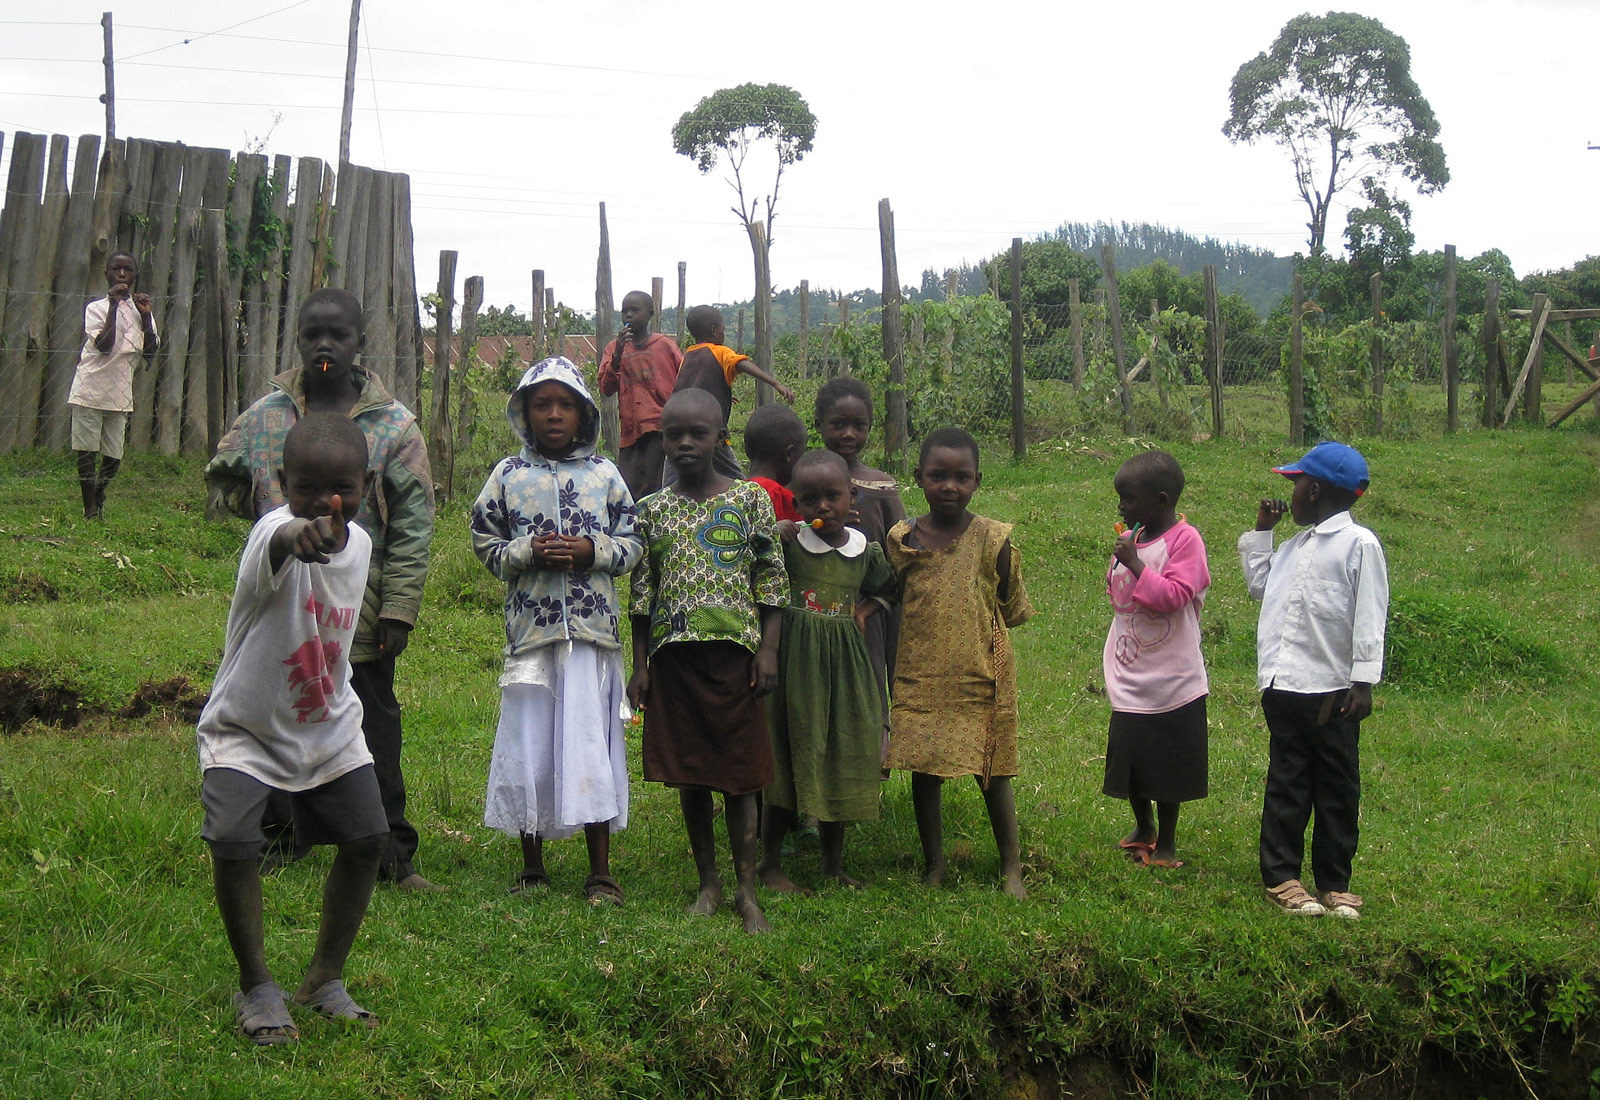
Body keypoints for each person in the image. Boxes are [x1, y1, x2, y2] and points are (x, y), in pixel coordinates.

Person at [205, 287, 438, 891]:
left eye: (339, 335)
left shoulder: (394, 426)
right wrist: (263, 516)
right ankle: (281, 838)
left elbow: (414, 523)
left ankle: (391, 853)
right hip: (282, 612)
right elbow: (224, 471)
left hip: (357, 615)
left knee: (371, 727)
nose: (325, 345)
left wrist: (399, 607)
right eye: (313, 335)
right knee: (278, 715)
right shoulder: (266, 417)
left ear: (361, 342)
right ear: (298, 339)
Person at [196, 412, 386, 1045]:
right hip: (246, 725)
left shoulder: (362, 545)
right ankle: (257, 986)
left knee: (368, 839)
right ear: (282, 483)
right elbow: (281, 542)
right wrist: (294, 534)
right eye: (307, 488)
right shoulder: (270, 533)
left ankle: (323, 979)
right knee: (233, 840)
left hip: (327, 721)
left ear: (366, 486)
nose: (327, 503)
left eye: (343, 490)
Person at [470, 357, 642, 905]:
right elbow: (485, 542)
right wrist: (526, 551)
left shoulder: (605, 475)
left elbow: (634, 542)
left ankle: (601, 873)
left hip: (591, 634)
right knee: (529, 741)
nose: (553, 415)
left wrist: (594, 551)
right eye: (542, 404)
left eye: (565, 404)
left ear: (584, 413)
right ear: (524, 412)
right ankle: (532, 867)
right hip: (532, 634)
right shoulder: (507, 476)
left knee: (589, 741)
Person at [627, 389, 787, 933]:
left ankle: (747, 890)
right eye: (674, 435)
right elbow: (642, 594)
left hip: (737, 660)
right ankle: (708, 884)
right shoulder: (651, 510)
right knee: (690, 774)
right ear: (663, 441)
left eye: (698, 434)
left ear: (722, 438)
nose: (686, 444)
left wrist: (769, 650)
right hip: (674, 661)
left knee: (742, 776)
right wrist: (641, 664)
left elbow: (771, 578)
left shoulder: (750, 500)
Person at [1239, 441, 1388, 920]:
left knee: (1337, 787)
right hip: (1284, 686)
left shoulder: (1359, 545)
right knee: (1288, 781)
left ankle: (1334, 883)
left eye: (1297, 484)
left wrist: (1363, 681)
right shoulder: (1292, 547)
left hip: (1333, 693)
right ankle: (1281, 876)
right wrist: (1263, 532)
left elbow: (1370, 613)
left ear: (1316, 490)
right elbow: (1260, 586)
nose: (1291, 494)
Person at [885, 428, 1033, 898]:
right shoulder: (902, 539)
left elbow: (1011, 607)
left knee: (993, 770)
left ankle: (1011, 867)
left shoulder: (994, 539)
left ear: (977, 481)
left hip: (980, 672)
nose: (949, 486)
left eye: (961, 477)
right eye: (937, 476)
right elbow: (892, 595)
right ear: (918, 478)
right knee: (924, 769)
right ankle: (935, 864)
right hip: (920, 673)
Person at [758, 449, 897, 892]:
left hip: (845, 669)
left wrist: (864, 611)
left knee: (840, 751)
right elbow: (755, 566)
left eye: (833, 496)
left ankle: (833, 865)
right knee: (787, 752)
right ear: (796, 503)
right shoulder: (791, 546)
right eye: (810, 499)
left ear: (851, 496)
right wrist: (774, 531)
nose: (823, 507)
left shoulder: (863, 551)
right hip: (795, 669)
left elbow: (889, 588)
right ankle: (770, 863)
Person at [1101, 450, 1210, 870]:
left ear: (1161, 500)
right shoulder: (1134, 538)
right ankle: (1143, 826)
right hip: (1130, 672)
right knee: (1132, 755)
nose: (1121, 507)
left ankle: (1166, 841)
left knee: (1168, 763)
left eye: (1128, 498)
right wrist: (1124, 561)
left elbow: (1176, 596)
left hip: (1172, 677)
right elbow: (1118, 591)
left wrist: (1134, 564)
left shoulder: (1186, 541)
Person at [815, 376, 906, 759]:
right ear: (819, 424)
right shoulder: (808, 478)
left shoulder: (881, 486)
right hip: (818, 602)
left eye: (859, 425)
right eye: (838, 424)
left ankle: (874, 753)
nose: (848, 434)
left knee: (870, 672)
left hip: (870, 606)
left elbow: (901, 546)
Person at [66, 250, 158, 519]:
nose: (121, 274)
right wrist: (114, 306)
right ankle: (90, 509)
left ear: (135, 275)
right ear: (106, 273)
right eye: (116, 269)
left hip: (120, 391)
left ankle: (99, 491)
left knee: (114, 455)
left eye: (127, 269)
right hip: (90, 388)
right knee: (87, 450)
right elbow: (105, 346)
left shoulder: (142, 311)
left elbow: (150, 351)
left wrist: (146, 318)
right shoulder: (95, 309)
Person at [667, 304, 795, 483]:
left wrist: (723, 395)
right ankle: (748, 496)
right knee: (735, 477)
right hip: (707, 430)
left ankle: (663, 497)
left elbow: (692, 386)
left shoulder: (688, 355)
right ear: (714, 330)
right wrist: (775, 383)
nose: (723, 333)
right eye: (723, 329)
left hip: (678, 427)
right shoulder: (719, 351)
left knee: (672, 477)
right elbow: (741, 364)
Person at [597, 290, 681, 501]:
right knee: (629, 488)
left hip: (661, 427)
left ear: (650, 314)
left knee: (655, 485)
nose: (628, 315)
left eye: (634, 310)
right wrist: (617, 356)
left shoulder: (664, 346)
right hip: (631, 430)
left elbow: (684, 377)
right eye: (624, 311)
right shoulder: (613, 349)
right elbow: (606, 388)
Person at [742, 404, 809, 523]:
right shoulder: (779, 497)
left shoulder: (733, 492)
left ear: (746, 451)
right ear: (789, 454)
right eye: (802, 454)